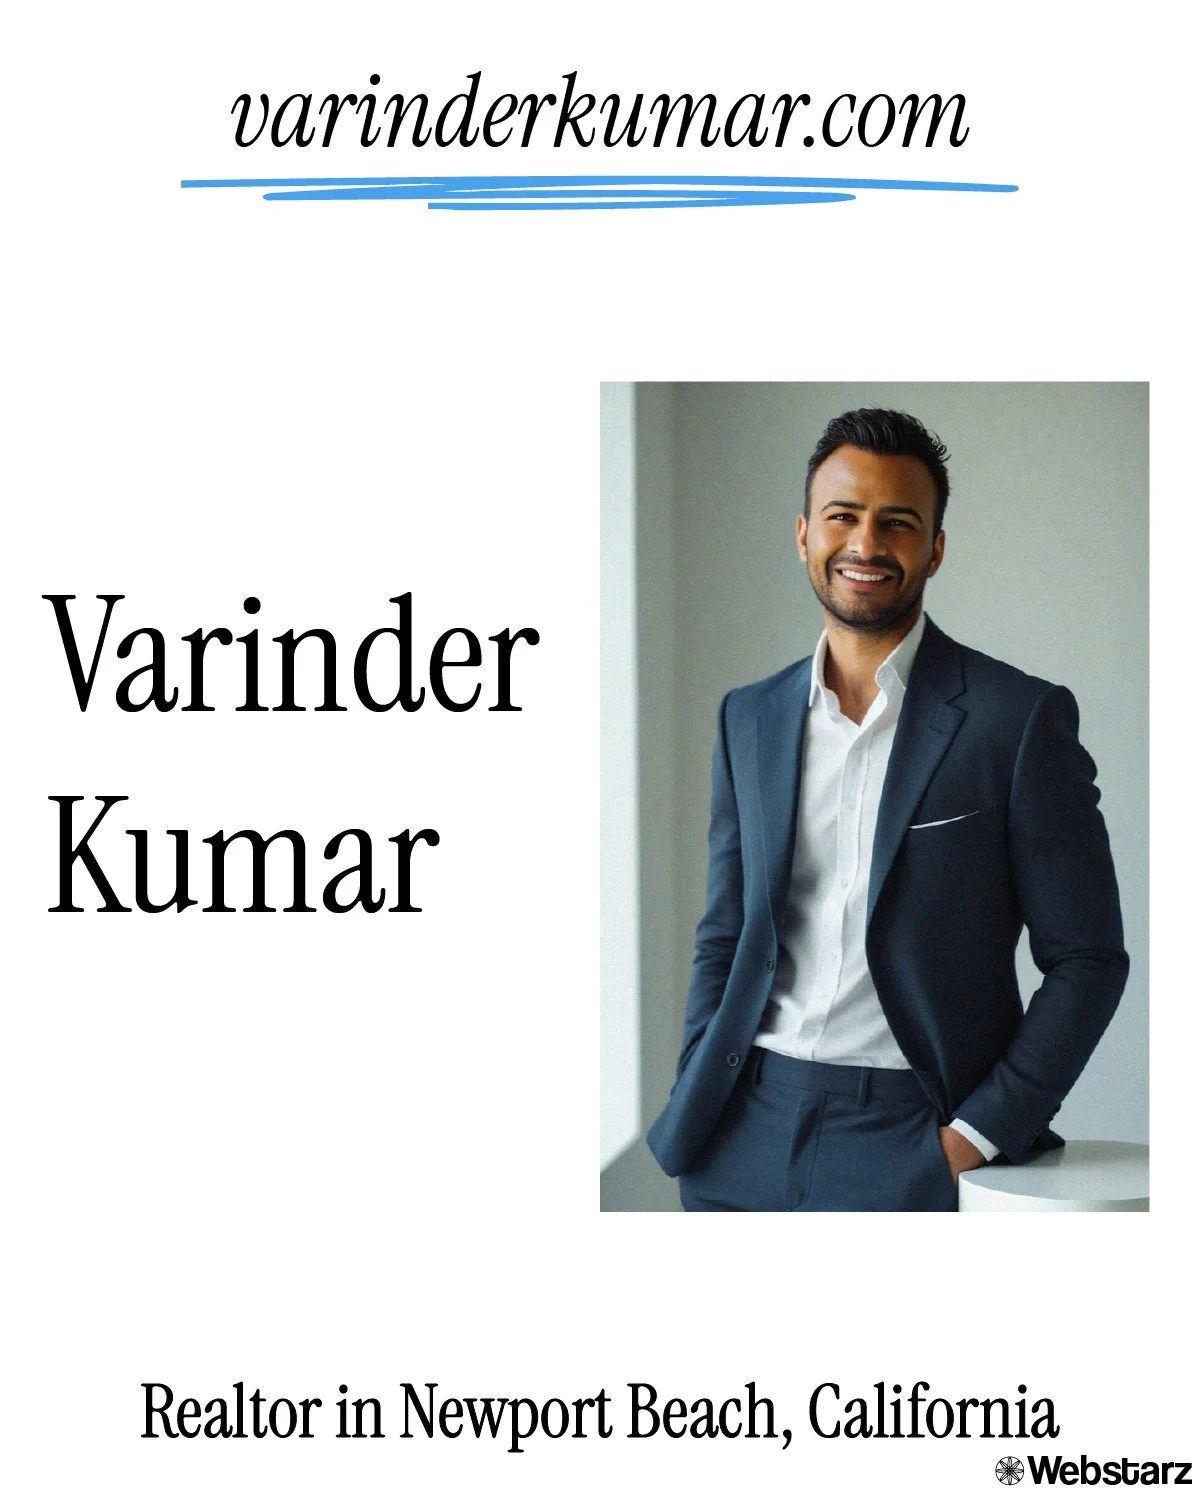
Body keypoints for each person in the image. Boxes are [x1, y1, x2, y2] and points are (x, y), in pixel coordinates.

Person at [646, 408, 1128, 1211]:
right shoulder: (749, 718)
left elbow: (1088, 959)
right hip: (740, 1128)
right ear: (804, 534)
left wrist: (974, 1135)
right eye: (843, 516)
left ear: (934, 547)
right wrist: (702, 1068)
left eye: (897, 523)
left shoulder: (1017, 722)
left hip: (909, 1134)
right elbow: (725, 930)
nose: (866, 545)